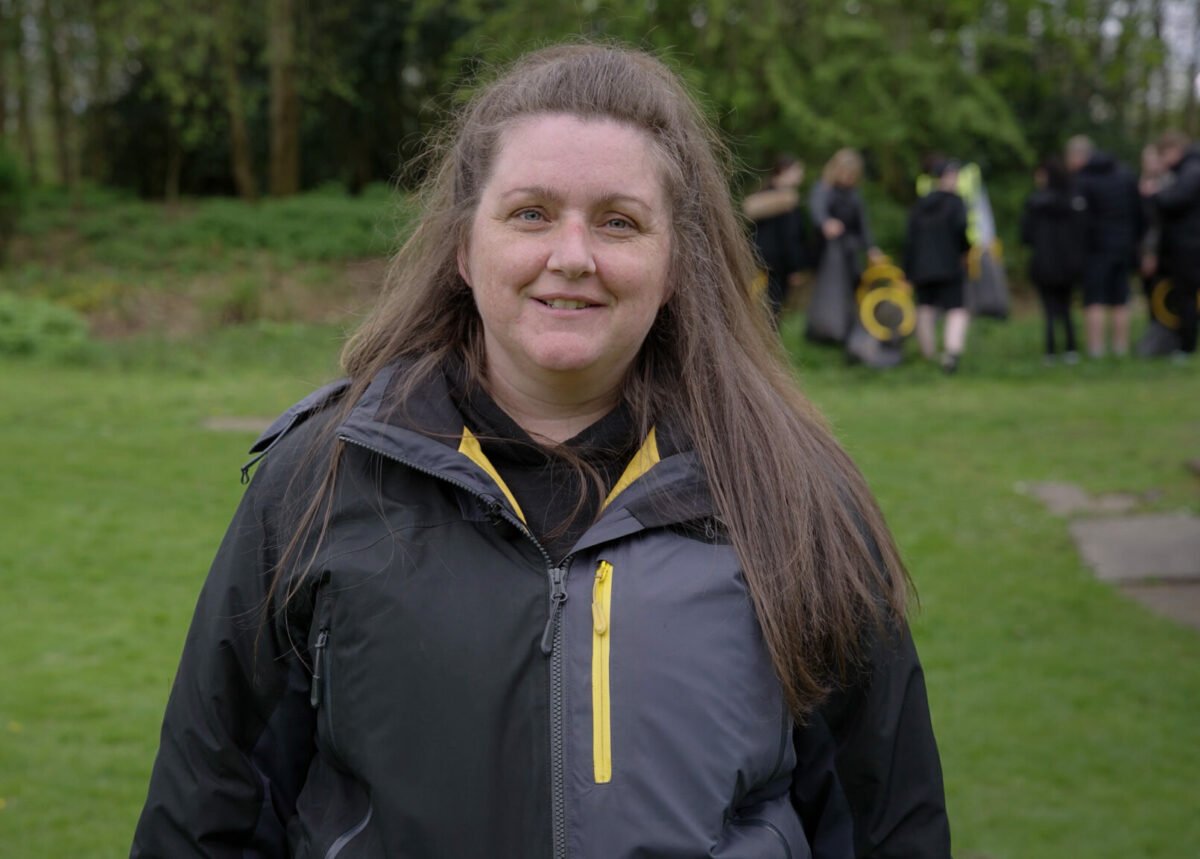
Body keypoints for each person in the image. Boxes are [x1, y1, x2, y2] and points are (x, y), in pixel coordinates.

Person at [131, 45, 950, 858]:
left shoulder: (792, 495)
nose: (571, 256)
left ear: (674, 266)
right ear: (463, 247)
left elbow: (889, 824)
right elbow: (209, 814)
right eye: (530, 213)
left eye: (619, 222)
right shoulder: (318, 478)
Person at [1065, 135, 1142, 358]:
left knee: (1094, 299)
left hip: (1096, 249)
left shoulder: (1083, 179)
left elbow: (1080, 221)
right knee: (1121, 298)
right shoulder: (1125, 174)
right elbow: (1139, 214)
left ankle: (1096, 350)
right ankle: (1120, 349)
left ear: (1077, 156)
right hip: (1124, 245)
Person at [904, 159, 971, 373]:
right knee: (956, 309)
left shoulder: (920, 204)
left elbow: (910, 239)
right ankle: (951, 354)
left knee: (925, 308)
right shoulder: (956, 202)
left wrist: (909, 269)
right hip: (949, 264)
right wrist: (965, 251)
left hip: (922, 267)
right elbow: (962, 230)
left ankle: (929, 355)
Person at [1020, 157, 1086, 365]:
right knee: (1065, 308)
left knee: (1049, 310)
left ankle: (1050, 351)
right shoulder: (1072, 202)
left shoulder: (1034, 203)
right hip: (1067, 263)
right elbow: (1081, 232)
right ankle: (1070, 348)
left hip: (1044, 263)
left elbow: (1026, 235)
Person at [1142, 130, 1200, 359]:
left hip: (1189, 246)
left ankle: (1186, 346)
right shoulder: (1185, 170)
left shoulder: (1191, 170)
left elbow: (1176, 200)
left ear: (1175, 150)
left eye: (1164, 154)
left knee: (1186, 294)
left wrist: (1154, 195)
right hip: (1184, 244)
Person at [743, 155, 811, 322]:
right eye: (797, 171)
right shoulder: (787, 199)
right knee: (771, 308)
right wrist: (794, 266)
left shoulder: (764, 194)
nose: (800, 175)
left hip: (761, 258)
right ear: (784, 171)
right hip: (775, 262)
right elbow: (790, 236)